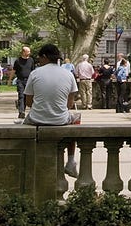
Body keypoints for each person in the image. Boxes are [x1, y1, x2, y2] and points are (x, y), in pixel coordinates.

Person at [23, 43, 81, 176]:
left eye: (39, 58)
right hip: (60, 119)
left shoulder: (35, 73)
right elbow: (69, 104)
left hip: (36, 118)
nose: (39, 61)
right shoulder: (68, 75)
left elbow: (28, 102)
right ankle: (71, 161)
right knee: (76, 119)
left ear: (44, 57)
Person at [11, 45, 35, 119]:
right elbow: (14, 71)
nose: (29, 53)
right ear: (23, 52)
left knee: (29, 96)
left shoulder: (31, 60)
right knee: (21, 96)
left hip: (29, 80)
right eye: (28, 51)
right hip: (20, 80)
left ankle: (33, 112)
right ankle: (21, 112)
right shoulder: (18, 61)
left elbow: (33, 71)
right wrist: (10, 80)